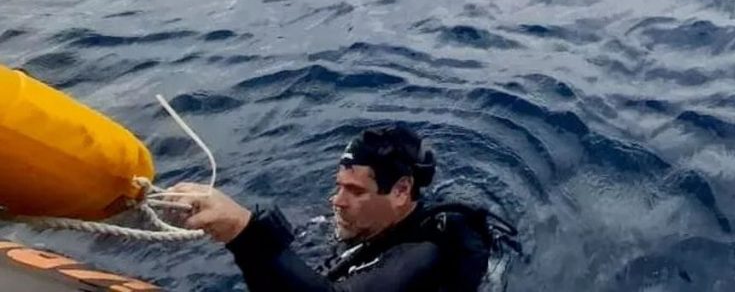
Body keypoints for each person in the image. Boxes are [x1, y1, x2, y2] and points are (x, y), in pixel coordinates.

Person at [167, 126, 517, 292]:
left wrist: (243, 232)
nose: (336, 199)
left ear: (401, 191)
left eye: (354, 190)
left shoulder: (423, 255)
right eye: (338, 185)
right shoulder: (365, 225)